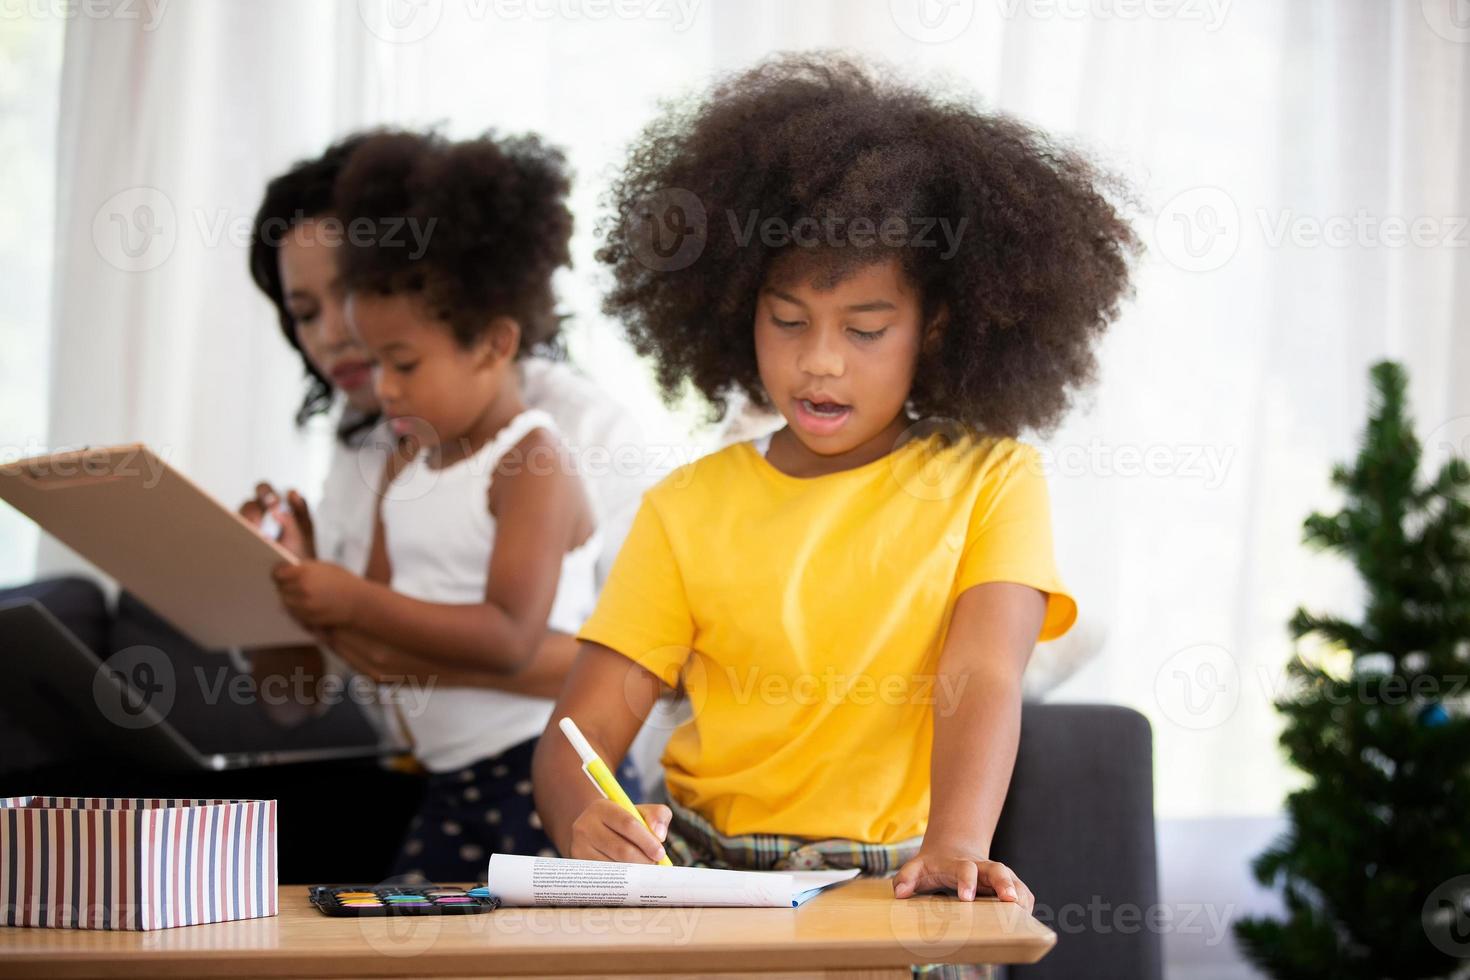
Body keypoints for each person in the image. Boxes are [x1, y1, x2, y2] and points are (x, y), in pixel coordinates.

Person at [532, 53, 1140, 978]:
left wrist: (958, 844)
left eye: (863, 329)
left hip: (901, 892)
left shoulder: (994, 481)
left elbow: (982, 672)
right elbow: (577, 735)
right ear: (738, 309)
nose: (820, 363)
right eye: (786, 320)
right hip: (707, 895)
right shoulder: (687, 506)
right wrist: (585, 818)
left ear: (936, 327)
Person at [268, 130, 605, 880]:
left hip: (539, 775)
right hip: (447, 779)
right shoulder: (401, 460)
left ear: (491, 344)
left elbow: (512, 639)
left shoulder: (532, 460)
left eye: (404, 363)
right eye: (374, 357)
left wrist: (346, 596)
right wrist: (303, 565)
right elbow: (382, 623)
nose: (380, 386)